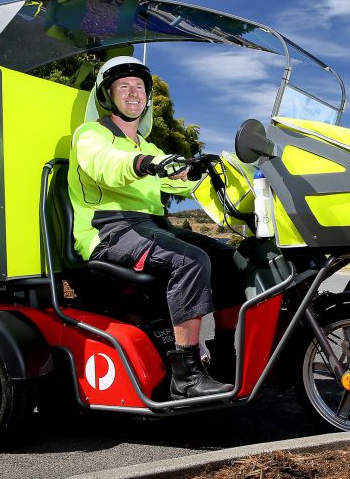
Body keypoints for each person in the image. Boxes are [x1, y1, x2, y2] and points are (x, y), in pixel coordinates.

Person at [67, 55, 241, 399]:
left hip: (148, 227)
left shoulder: (146, 145)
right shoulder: (91, 135)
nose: (134, 94)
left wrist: (202, 172)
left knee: (226, 257)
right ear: (107, 95)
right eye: (124, 87)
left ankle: (224, 355)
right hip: (107, 230)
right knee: (189, 260)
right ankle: (187, 375)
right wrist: (148, 164)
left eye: (139, 88)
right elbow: (106, 166)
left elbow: (178, 183)